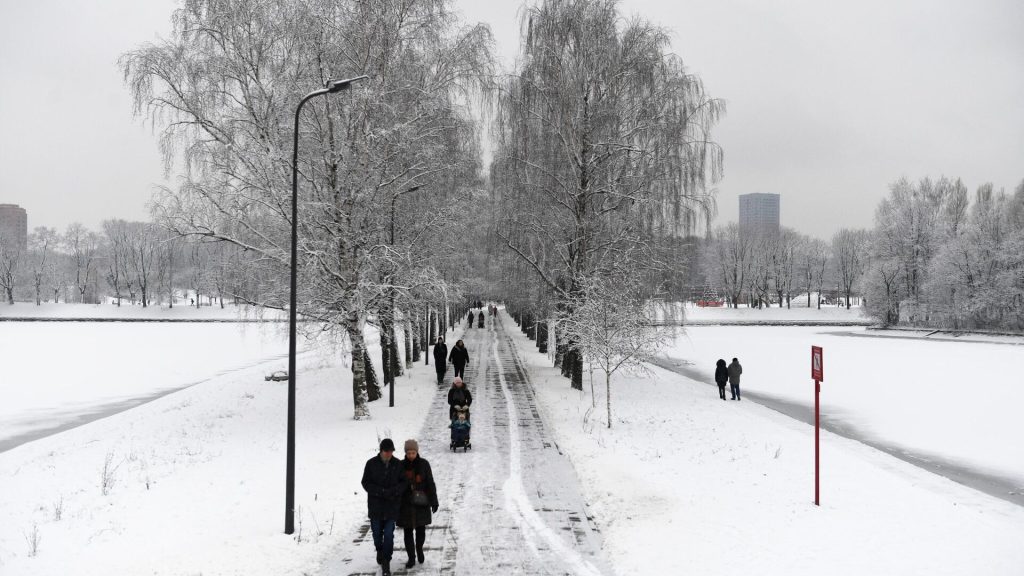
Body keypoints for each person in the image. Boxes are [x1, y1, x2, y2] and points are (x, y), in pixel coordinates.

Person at [361, 439, 407, 576]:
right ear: (381, 451)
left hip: (391, 506)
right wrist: (379, 491)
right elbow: (365, 482)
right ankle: (379, 550)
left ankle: (386, 561)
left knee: (388, 534)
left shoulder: (398, 464)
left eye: (391, 451)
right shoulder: (371, 464)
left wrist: (394, 491)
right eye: (387, 451)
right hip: (376, 507)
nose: (389, 454)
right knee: (376, 534)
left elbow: (404, 482)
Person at [398, 440, 438, 568]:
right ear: (405, 453)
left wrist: (434, 501)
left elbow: (430, 483)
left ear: (417, 452)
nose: (411, 455)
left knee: (421, 531)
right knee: (407, 532)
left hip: (421, 503)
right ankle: (411, 557)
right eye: (408, 453)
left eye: (413, 453)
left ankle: (419, 548)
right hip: (406, 504)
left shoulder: (424, 464)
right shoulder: (400, 465)